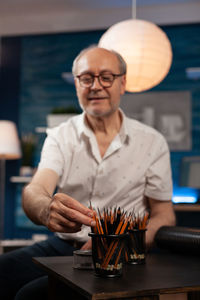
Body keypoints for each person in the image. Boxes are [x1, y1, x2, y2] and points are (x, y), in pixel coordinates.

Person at [0, 46, 176, 300]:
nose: (96, 86)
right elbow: (36, 190)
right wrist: (45, 209)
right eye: (86, 78)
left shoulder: (152, 142)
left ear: (122, 83)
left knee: (31, 296)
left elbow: (163, 215)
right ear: (77, 84)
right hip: (61, 245)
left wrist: (119, 241)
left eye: (106, 77)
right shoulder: (60, 136)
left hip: (120, 251)